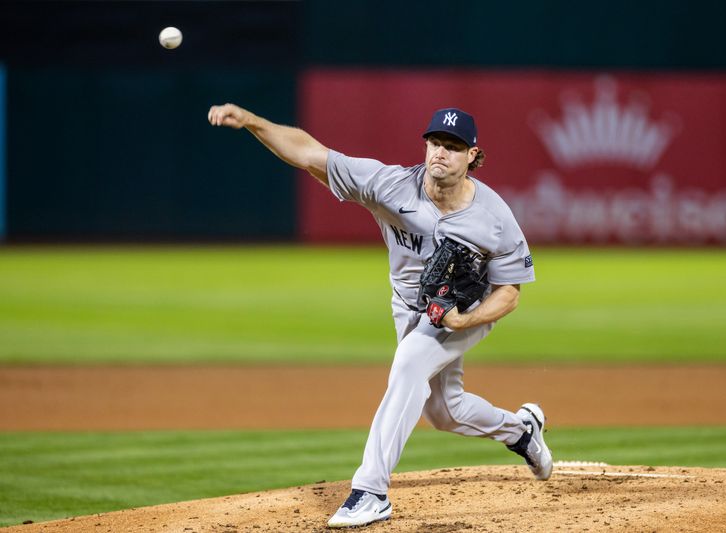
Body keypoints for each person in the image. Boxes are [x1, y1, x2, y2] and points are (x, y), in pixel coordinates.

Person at [207, 103, 553, 528]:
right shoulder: (390, 185)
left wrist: (464, 321)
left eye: (453, 146)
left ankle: (370, 491)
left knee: (408, 365)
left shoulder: (494, 216)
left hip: (462, 312)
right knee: (445, 411)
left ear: (472, 156)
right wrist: (251, 122)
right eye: (435, 143)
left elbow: (510, 293)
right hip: (407, 308)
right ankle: (521, 431)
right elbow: (310, 154)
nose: (440, 152)